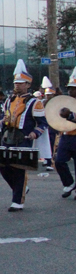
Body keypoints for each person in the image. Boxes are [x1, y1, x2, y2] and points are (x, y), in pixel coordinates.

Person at [0, 60, 47, 212]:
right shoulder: (9, 101)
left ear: (28, 84)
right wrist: (3, 122)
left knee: (19, 169)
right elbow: (4, 117)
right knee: (3, 166)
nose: (17, 85)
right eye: (15, 83)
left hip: (23, 138)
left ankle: (17, 201)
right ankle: (19, 189)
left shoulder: (35, 102)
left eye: (21, 83)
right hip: (8, 137)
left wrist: (34, 133)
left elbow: (43, 123)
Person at [54, 67, 76, 199]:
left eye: (73, 88)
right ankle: (70, 183)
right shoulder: (65, 102)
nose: (70, 90)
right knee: (59, 161)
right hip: (66, 136)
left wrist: (69, 116)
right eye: (69, 88)